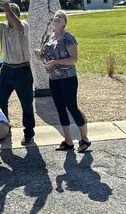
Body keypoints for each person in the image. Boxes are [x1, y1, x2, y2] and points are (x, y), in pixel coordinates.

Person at [35, 10, 91, 153]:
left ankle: (84, 138)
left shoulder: (68, 37)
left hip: (68, 78)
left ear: (65, 23)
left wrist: (56, 62)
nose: (57, 18)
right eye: (55, 17)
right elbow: (46, 59)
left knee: (72, 107)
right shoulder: (49, 37)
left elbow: (73, 59)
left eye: (60, 17)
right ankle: (68, 141)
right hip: (54, 79)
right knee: (60, 109)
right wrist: (39, 56)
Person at [0, 1, 36, 145]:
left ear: (16, 14)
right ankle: (5, 130)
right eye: (7, 12)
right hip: (6, 69)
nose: (8, 14)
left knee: (26, 104)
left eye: (11, 12)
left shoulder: (24, 25)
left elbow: (18, 26)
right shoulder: (3, 27)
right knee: (1, 102)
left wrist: (9, 11)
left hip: (23, 70)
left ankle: (29, 133)